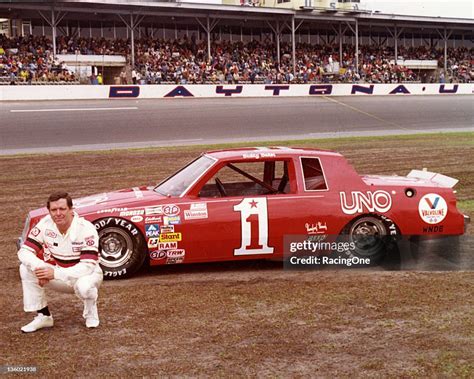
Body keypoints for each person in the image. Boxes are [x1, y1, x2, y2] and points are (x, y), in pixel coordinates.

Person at [17, 192, 103, 332]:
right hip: (59, 272)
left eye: (62, 209)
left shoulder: (86, 228)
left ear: (71, 209)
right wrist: (41, 269)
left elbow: (87, 267)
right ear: (49, 211)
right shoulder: (45, 224)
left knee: (85, 286)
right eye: (53, 210)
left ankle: (91, 311)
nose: (58, 213)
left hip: (87, 276)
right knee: (25, 269)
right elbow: (24, 251)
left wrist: (55, 273)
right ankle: (43, 316)